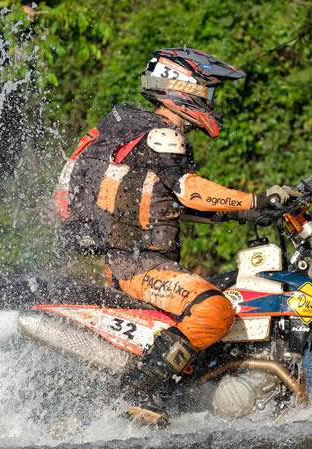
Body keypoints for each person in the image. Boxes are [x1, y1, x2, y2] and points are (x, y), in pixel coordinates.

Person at [55, 48, 296, 425]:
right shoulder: (163, 137)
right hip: (142, 268)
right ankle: (140, 389)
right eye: (206, 92)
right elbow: (189, 190)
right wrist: (255, 199)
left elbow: (170, 202)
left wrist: (251, 211)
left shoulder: (134, 131)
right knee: (215, 310)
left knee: (239, 288)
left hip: (128, 263)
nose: (210, 102)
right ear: (182, 90)